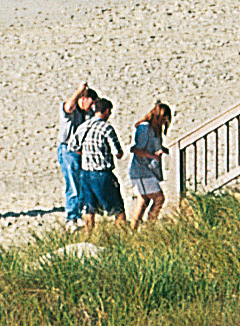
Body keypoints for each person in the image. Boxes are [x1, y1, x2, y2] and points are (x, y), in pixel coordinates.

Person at [69, 96, 126, 228]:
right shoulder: (106, 128)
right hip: (102, 173)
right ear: (106, 111)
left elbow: (73, 147)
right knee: (118, 209)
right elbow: (118, 152)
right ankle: (123, 236)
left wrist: (86, 154)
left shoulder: (83, 126)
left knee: (89, 209)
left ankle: (89, 237)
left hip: (86, 173)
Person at [55, 82, 97, 225]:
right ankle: (71, 218)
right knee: (72, 185)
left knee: (82, 185)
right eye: (90, 103)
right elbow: (68, 107)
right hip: (68, 151)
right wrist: (79, 91)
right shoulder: (71, 111)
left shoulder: (87, 114)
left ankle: (79, 214)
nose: (91, 108)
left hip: (81, 152)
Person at [128, 101, 173, 224]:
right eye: (163, 120)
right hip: (142, 170)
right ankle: (150, 225)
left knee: (143, 201)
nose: (164, 123)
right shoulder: (144, 128)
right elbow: (136, 149)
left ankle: (134, 230)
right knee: (159, 198)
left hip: (149, 170)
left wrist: (162, 150)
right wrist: (152, 155)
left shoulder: (155, 129)